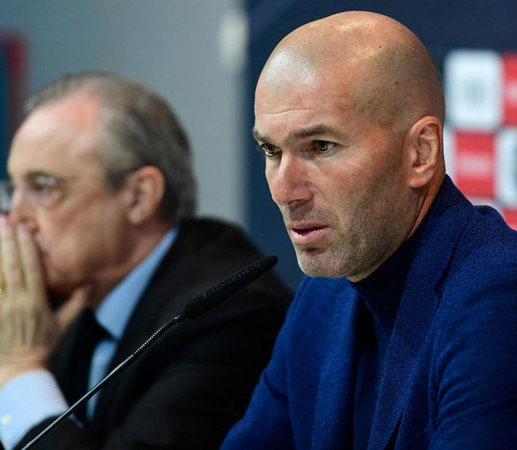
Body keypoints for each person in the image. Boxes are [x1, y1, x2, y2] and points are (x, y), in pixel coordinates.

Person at [0, 72, 291, 450]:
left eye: (43, 187)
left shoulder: (228, 314)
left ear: (138, 197)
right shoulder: (52, 298)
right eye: (13, 190)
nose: (15, 219)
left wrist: (16, 368)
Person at [221, 11, 517, 449]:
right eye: (271, 150)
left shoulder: (498, 295)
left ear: (421, 153)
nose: (284, 191)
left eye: (321, 146)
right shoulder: (321, 298)